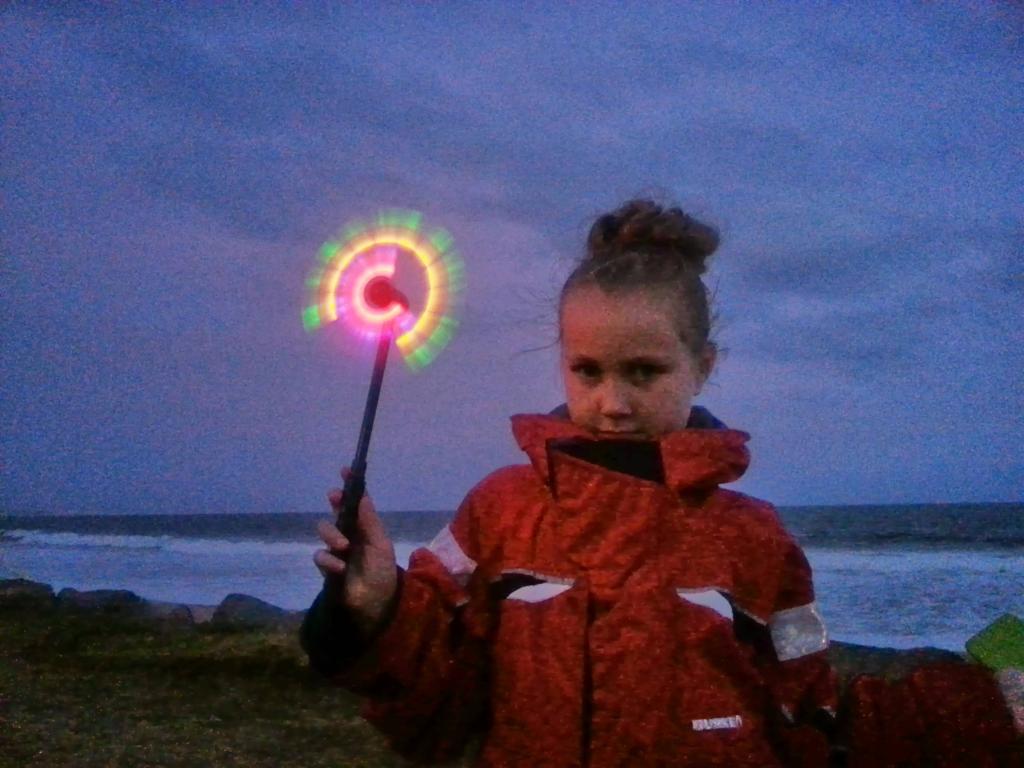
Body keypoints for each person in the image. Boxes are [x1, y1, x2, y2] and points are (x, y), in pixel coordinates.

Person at [302, 200, 1021, 766]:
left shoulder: (759, 540)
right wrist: (380, 604)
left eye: (644, 371)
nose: (614, 402)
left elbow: (811, 711)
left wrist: (991, 705)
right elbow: (436, 699)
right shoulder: (498, 511)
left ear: (702, 365)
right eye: (588, 371)